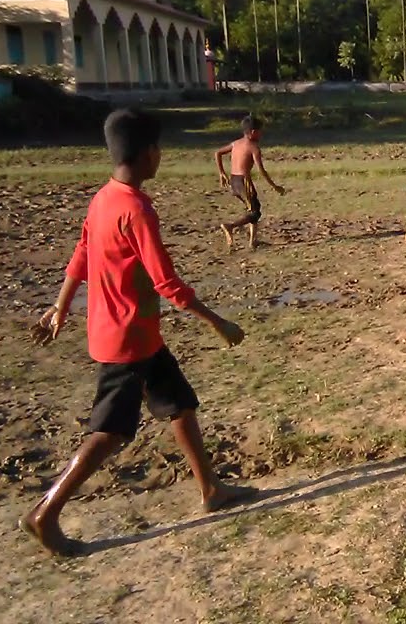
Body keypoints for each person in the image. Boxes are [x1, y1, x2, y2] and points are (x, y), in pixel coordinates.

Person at [23, 108, 253, 556]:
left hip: (138, 336)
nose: (161, 155)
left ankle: (211, 490)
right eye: (159, 149)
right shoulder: (137, 208)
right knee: (109, 432)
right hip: (127, 342)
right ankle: (45, 513)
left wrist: (60, 306)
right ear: (148, 153)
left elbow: (80, 257)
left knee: (180, 404)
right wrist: (218, 323)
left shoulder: (103, 198)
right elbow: (166, 282)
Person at [215, 115, 286, 251]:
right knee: (255, 212)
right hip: (243, 182)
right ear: (253, 132)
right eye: (260, 131)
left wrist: (222, 172)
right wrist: (275, 186)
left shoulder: (236, 143)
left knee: (253, 209)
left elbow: (217, 153)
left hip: (234, 181)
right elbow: (262, 170)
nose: (261, 134)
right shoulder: (254, 148)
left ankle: (253, 242)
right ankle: (230, 226)